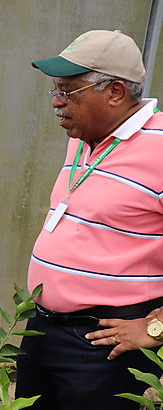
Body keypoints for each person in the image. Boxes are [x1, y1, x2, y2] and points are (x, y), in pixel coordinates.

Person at [18, 29, 163, 409]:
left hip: (103, 344)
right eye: (54, 90)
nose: (55, 102)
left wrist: (156, 327)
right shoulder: (85, 139)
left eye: (67, 91)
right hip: (44, 330)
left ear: (115, 92)